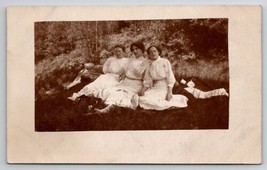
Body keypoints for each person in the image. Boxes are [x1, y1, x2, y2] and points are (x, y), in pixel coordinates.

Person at [95, 42, 149, 113]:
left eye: (137, 49)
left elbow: (147, 78)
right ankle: (114, 107)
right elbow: (127, 70)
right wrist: (124, 74)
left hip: (136, 84)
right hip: (126, 81)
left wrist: (143, 89)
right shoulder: (130, 60)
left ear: (142, 50)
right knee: (111, 90)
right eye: (133, 50)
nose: (134, 51)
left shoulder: (145, 62)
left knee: (122, 93)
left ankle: (108, 109)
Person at [138, 45, 188, 110]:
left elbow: (170, 77)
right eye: (150, 52)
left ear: (158, 52)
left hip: (164, 87)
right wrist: (143, 90)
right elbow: (148, 80)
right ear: (148, 55)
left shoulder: (164, 61)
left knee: (156, 101)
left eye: (154, 51)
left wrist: (169, 93)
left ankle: (171, 103)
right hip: (154, 87)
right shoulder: (149, 64)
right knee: (139, 98)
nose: (153, 53)